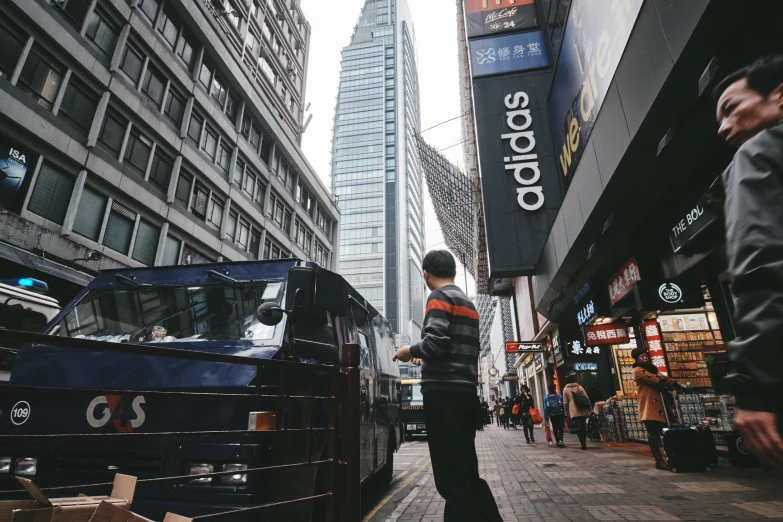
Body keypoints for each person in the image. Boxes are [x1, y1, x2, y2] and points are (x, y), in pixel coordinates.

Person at [392, 250, 502, 521]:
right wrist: (424, 352)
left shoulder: (438, 297)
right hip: (464, 393)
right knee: (463, 470)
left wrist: (409, 350)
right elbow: (450, 345)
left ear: (426, 274)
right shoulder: (467, 301)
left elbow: (437, 342)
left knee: (450, 477)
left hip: (444, 394)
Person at [714, 54, 783, 469]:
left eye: (731, 108)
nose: (722, 127)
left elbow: (760, 263)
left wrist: (755, 388)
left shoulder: (760, 152)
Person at [632, 348, 683, 470]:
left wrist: (675, 384)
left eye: (645, 356)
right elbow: (656, 380)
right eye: (641, 357)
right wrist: (664, 380)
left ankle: (671, 457)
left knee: (665, 434)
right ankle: (658, 460)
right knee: (653, 435)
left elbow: (662, 379)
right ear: (637, 359)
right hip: (649, 408)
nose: (644, 358)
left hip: (661, 408)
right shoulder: (638, 371)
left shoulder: (652, 370)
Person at [562, 373, 591, 450]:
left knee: (578, 426)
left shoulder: (565, 389)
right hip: (582, 408)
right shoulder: (579, 387)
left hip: (573, 410)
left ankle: (582, 443)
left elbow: (565, 402)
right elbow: (586, 398)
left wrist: (566, 412)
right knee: (583, 426)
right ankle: (584, 442)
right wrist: (589, 408)